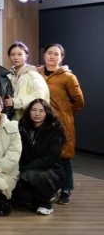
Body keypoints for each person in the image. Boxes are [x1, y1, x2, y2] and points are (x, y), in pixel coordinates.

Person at [39, 44, 83, 205]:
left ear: (61, 58)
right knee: (45, 156)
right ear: (44, 55)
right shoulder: (37, 73)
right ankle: (50, 188)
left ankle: (66, 189)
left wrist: (66, 114)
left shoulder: (68, 77)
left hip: (61, 123)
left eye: (56, 54)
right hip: (41, 122)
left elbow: (79, 101)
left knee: (64, 156)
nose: (52, 56)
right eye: (49, 53)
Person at [12, 99, 64, 215]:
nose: (37, 114)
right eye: (33, 110)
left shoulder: (54, 130)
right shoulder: (22, 128)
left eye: (41, 111)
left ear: (47, 113)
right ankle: (38, 198)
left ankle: (45, 203)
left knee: (31, 174)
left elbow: (51, 156)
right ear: (29, 112)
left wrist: (25, 169)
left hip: (51, 171)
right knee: (19, 196)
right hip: (26, 171)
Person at [6, 42, 49, 122]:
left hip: (30, 119)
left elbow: (39, 96)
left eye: (19, 54)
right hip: (12, 119)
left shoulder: (33, 75)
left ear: (26, 56)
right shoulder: (9, 75)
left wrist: (15, 102)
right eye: (12, 54)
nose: (16, 57)